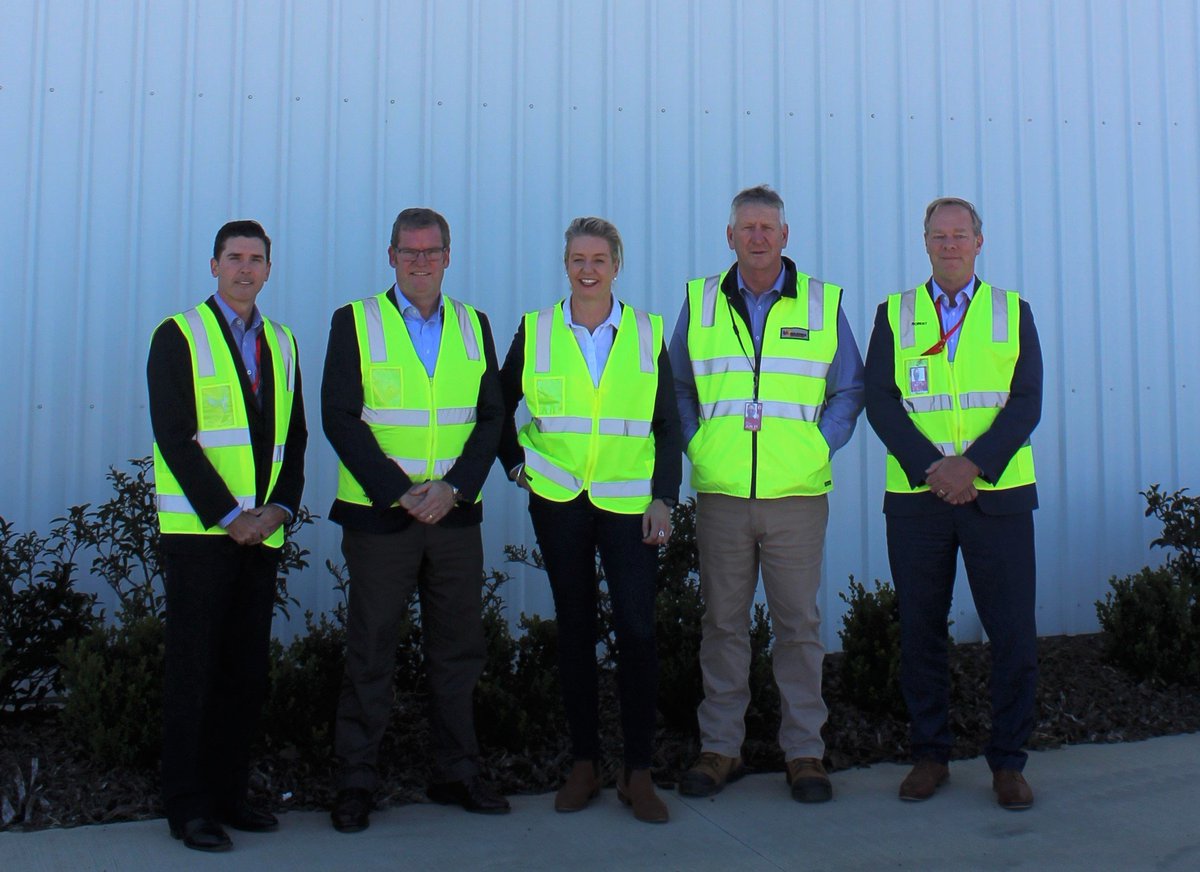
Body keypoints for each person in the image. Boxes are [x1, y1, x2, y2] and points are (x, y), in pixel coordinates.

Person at [668, 185, 864, 803]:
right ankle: (719, 747)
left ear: (786, 236)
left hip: (796, 496)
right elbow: (675, 387)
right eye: (746, 227)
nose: (757, 237)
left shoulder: (822, 304)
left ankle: (805, 753)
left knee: (798, 627)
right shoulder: (699, 304)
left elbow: (849, 390)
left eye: (767, 227)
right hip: (723, 494)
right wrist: (698, 447)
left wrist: (815, 447)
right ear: (729, 236)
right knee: (723, 625)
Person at [322, 207, 508, 832]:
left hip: (454, 520)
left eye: (432, 252)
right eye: (409, 251)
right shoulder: (354, 322)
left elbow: (491, 419)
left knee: (459, 651)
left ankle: (457, 770)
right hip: (383, 522)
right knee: (371, 649)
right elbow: (340, 418)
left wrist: (454, 488)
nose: (421, 262)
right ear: (391, 255)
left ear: (448, 257)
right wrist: (401, 494)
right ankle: (355, 781)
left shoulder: (473, 325)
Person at [498, 217, 682, 823]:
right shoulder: (537, 330)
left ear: (616, 265)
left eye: (599, 258)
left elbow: (666, 424)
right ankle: (583, 764)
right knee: (574, 629)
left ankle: (637, 772)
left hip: (630, 507)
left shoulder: (646, 332)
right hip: (560, 504)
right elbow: (495, 406)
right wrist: (517, 469)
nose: (587, 268)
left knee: (636, 634)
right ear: (566, 263)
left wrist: (665, 497)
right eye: (578, 257)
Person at [863, 197, 1042, 810]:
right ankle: (930, 754)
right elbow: (881, 402)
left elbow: (1026, 403)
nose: (949, 245)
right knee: (919, 632)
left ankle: (1009, 763)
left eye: (959, 235)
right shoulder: (895, 313)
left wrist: (975, 466)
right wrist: (933, 471)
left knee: (1013, 633)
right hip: (919, 502)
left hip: (1000, 499)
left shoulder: (1012, 312)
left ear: (979, 241)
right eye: (938, 236)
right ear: (925, 243)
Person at [149, 219, 307, 852]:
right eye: (234, 258)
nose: (246, 269)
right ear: (213, 266)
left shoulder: (284, 341)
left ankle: (230, 796)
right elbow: (174, 436)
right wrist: (228, 515)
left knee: (245, 671)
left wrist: (281, 508)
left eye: (257, 259)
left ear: (269, 269)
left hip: (261, 534)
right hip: (200, 537)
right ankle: (188, 807)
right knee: (194, 671)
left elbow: (292, 439)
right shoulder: (178, 335)